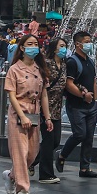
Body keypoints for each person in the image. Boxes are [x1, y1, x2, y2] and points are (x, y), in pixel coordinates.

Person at [2, 34, 54, 194]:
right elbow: (11, 95)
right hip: (19, 113)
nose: (34, 47)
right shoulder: (14, 69)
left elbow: (44, 95)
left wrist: (47, 117)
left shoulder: (40, 69)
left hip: (35, 112)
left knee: (31, 154)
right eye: (29, 44)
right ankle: (22, 190)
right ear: (22, 48)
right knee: (20, 153)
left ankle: (11, 176)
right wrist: (22, 115)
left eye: (36, 44)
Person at [58, 31, 97, 178]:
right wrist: (84, 95)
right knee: (80, 134)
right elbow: (68, 84)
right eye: (87, 41)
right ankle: (62, 155)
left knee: (89, 137)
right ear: (78, 44)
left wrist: (95, 98)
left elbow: (94, 80)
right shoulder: (72, 62)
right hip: (76, 106)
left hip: (91, 106)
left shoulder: (90, 60)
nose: (90, 44)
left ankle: (84, 168)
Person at [31, 37, 68, 184]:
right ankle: (46, 174)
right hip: (44, 108)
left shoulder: (64, 65)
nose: (64, 48)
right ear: (54, 48)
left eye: (65, 45)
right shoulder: (46, 64)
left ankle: (31, 162)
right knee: (48, 140)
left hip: (57, 108)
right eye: (61, 46)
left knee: (55, 141)